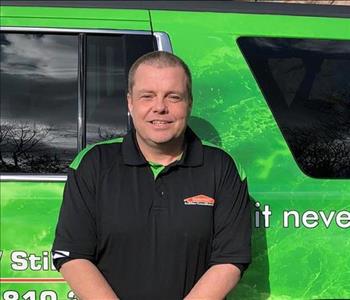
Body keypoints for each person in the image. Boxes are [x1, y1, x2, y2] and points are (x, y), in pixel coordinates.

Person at [52, 51, 251, 299]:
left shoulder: (223, 167)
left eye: (173, 97)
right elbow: (72, 254)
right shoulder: (93, 163)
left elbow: (230, 260)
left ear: (189, 102)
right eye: (147, 96)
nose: (160, 107)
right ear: (130, 102)